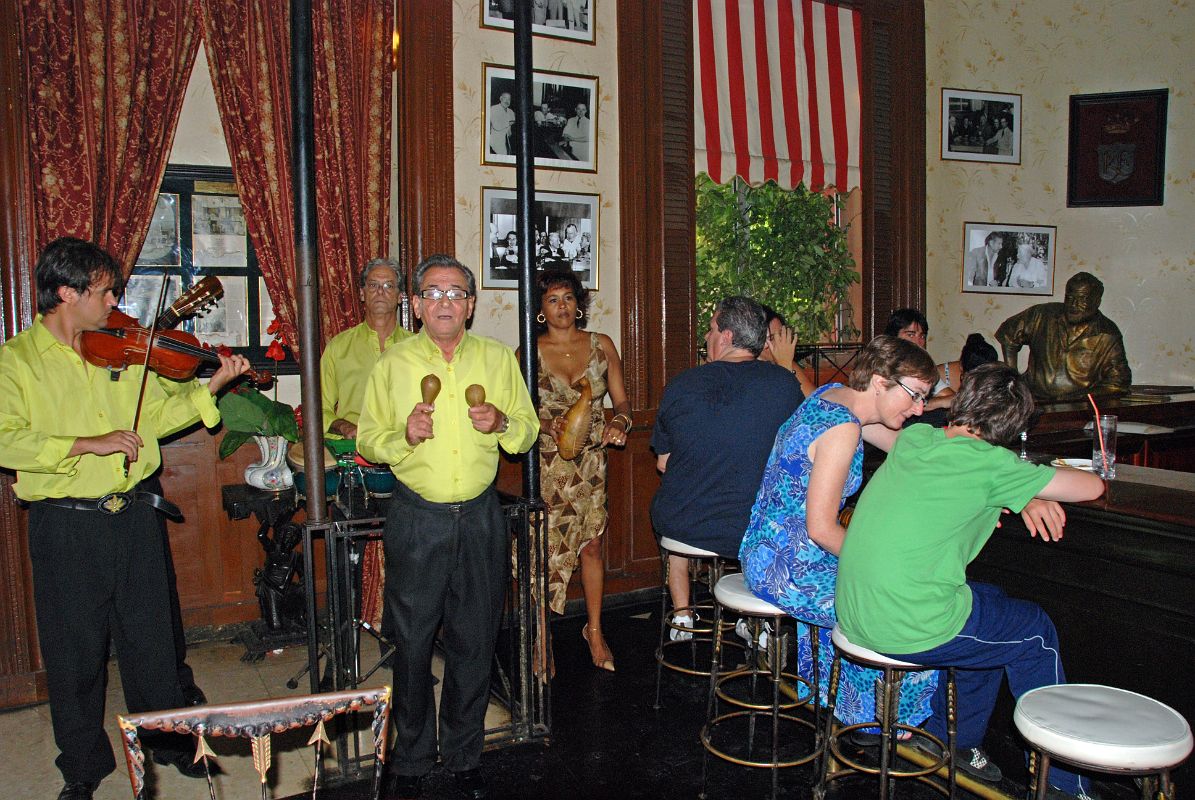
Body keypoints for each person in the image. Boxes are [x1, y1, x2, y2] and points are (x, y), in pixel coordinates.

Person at [0, 237, 249, 800]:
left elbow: (155, 418)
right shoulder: (16, 361)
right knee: (74, 654)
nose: (115, 302)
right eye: (105, 291)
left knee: (152, 643)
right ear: (67, 293)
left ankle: (169, 745)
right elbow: (6, 439)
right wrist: (86, 444)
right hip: (66, 524)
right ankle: (82, 767)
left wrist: (210, 388)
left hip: (135, 513)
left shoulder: (120, 350)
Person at [835, 363, 1106, 797]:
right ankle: (1066, 785)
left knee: (991, 606)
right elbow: (1092, 487)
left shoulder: (919, 439)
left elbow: (944, 474)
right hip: (902, 625)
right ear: (1014, 426)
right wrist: (1027, 488)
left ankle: (954, 740)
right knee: (1035, 632)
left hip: (854, 612)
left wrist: (1022, 493)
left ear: (962, 401)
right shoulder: (993, 465)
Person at [357, 255, 538, 800]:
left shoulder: (497, 358)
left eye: (456, 293)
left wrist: (502, 422)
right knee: (412, 644)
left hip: (481, 516)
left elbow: (527, 431)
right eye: (433, 293)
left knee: (475, 641)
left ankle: (463, 756)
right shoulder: (393, 364)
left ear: (471, 305)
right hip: (418, 517)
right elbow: (368, 439)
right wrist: (404, 436)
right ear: (415, 304)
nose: (444, 302)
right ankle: (411, 759)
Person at [738, 335, 939, 745]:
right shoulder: (843, 428)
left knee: (883, 585)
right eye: (915, 395)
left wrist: (993, 477)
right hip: (786, 565)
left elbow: (908, 449)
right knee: (900, 602)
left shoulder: (833, 396)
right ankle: (881, 722)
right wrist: (880, 564)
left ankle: (849, 707)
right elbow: (821, 529)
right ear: (880, 381)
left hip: (766, 547)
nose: (920, 409)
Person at [651, 297, 804, 638]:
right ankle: (756, 616)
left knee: (677, 500)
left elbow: (663, 464)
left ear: (727, 336)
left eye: (710, 329)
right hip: (755, 529)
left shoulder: (682, 384)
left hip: (686, 526)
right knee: (757, 518)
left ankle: (683, 615)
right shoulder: (785, 386)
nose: (706, 337)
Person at [526, 270, 630, 671]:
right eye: (553, 300)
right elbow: (520, 415)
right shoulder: (529, 351)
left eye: (568, 297)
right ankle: (541, 636)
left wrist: (620, 422)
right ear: (541, 309)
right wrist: (546, 425)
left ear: (578, 303)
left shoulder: (602, 344)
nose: (562, 306)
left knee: (592, 546)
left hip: (590, 463)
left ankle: (595, 630)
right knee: (544, 551)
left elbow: (622, 403)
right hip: (549, 465)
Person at [996, 271, 1132, 401]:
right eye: (1069, 297)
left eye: (1082, 299)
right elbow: (1008, 333)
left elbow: (1118, 383)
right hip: (1034, 400)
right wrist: (1013, 381)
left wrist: (1078, 397)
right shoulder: (1042, 315)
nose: (1073, 305)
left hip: (1078, 407)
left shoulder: (1108, 335)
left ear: (1097, 301)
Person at [320, 257, 412, 441]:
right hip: (352, 448)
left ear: (400, 296)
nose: (380, 292)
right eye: (373, 285)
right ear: (362, 294)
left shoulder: (416, 348)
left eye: (388, 286)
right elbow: (318, 408)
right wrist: (344, 426)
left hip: (405, 448)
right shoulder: (339, 347)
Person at [924, 332, 999, 412]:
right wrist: (945, 401)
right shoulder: (935, 375)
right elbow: (918, 404)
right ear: (961, 366)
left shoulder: (996, 381)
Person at [759, 305, 816, 395]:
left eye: (782, 334)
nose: (782, 341)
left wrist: (786, 365)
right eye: (772, 337)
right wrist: (785, 368)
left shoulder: (785, 360)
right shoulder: (747, 371)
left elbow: (812, 398)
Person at [488, 90, 516, 156]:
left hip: (507, 140)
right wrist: (509, 123)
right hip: (496, 140)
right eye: (505, 98)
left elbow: (511, 127)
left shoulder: (511, 111)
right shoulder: (493, 109)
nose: (507, 101)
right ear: (501, 98)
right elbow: (496, 126)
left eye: (509, 99)